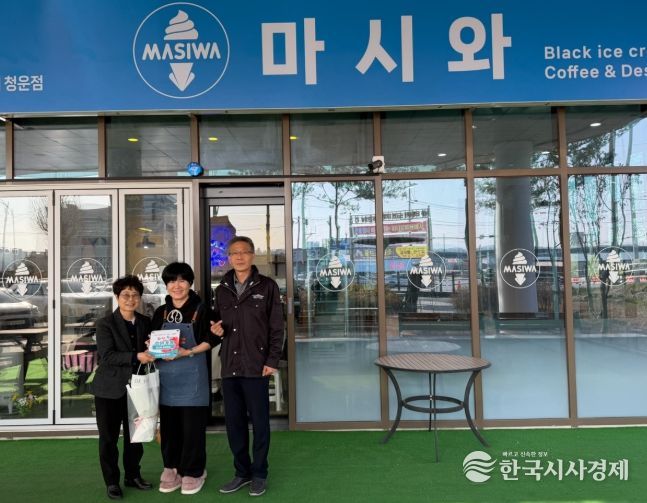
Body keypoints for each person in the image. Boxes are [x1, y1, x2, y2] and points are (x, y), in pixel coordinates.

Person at [212, 236, 284, 497]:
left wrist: (272, 360)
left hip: (257, 365)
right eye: (234, 253)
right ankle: (241, 472)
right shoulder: (222, 289)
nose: (239, 256)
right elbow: (216, 325)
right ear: (229, 258)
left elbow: (277, 327)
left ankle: (259, 473)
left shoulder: (267, 286)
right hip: (230, 366)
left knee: (260, 423)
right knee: (234, 424)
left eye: (244, 252)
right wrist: (216, 330)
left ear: (253, 255)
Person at [151, 262, 219, 495]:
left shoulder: (202, 309)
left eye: (182, 280)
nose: (176, 285)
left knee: (192, 429)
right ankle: (171, 467)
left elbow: (213, 338)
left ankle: (194, 471)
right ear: (166, 285)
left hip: (193, 377)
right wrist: (150, 344)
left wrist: (188, 351)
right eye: (171, 281)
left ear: (190, 283)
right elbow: (151, 338)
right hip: (166, 378)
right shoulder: (160, 311)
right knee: (170, 428)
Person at [93, 275, 155, 500]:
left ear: (140, 298)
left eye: (135, 295)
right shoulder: (105, 324)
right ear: (117, 297)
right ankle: (111, 482)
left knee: (136, 436)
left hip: (138, 387)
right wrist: (136, 356)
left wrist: (153, 347)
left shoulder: (146, 322)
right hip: (109, 389)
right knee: (108, 439)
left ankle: (133, 475)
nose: (130, 299)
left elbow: (153, 348)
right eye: (125, 295)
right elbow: (107, 356)